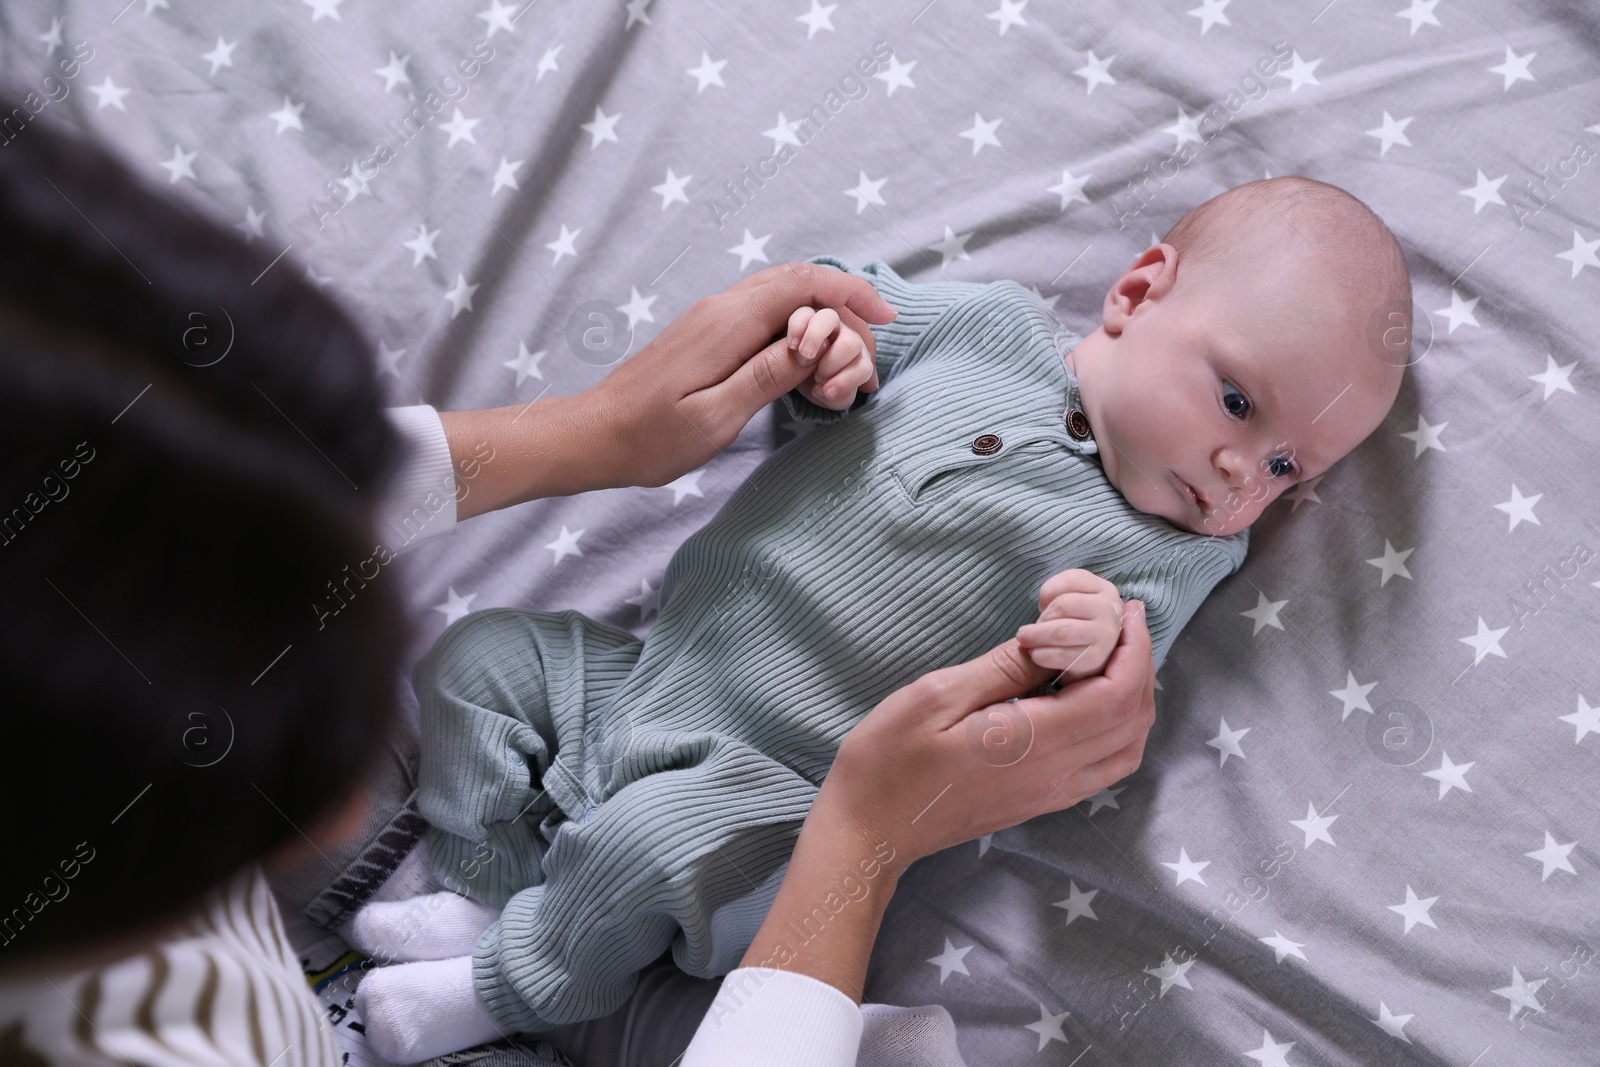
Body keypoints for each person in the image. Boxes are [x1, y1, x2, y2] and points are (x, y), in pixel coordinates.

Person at [0, 115, 1161, 1066]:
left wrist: (590, 434)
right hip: (652, 831)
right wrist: (860, 843)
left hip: (614, 790)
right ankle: (523, 968)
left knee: (497, 680)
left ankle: (512, 932)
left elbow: (194, 495)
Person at [348, 178, 1412, 1059]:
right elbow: (846, 332)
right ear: (1137, 293)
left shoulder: (1174, 551)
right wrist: (828, 356)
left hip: (773, 801)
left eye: (1286, 468)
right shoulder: (987, 326)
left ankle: (504, 985)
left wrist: (1088, 635)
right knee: (479, 659)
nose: (1241, 471)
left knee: (644, 842)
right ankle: (492, 889)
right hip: (644, 676)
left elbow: (1105, 694)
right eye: (1236, 401)